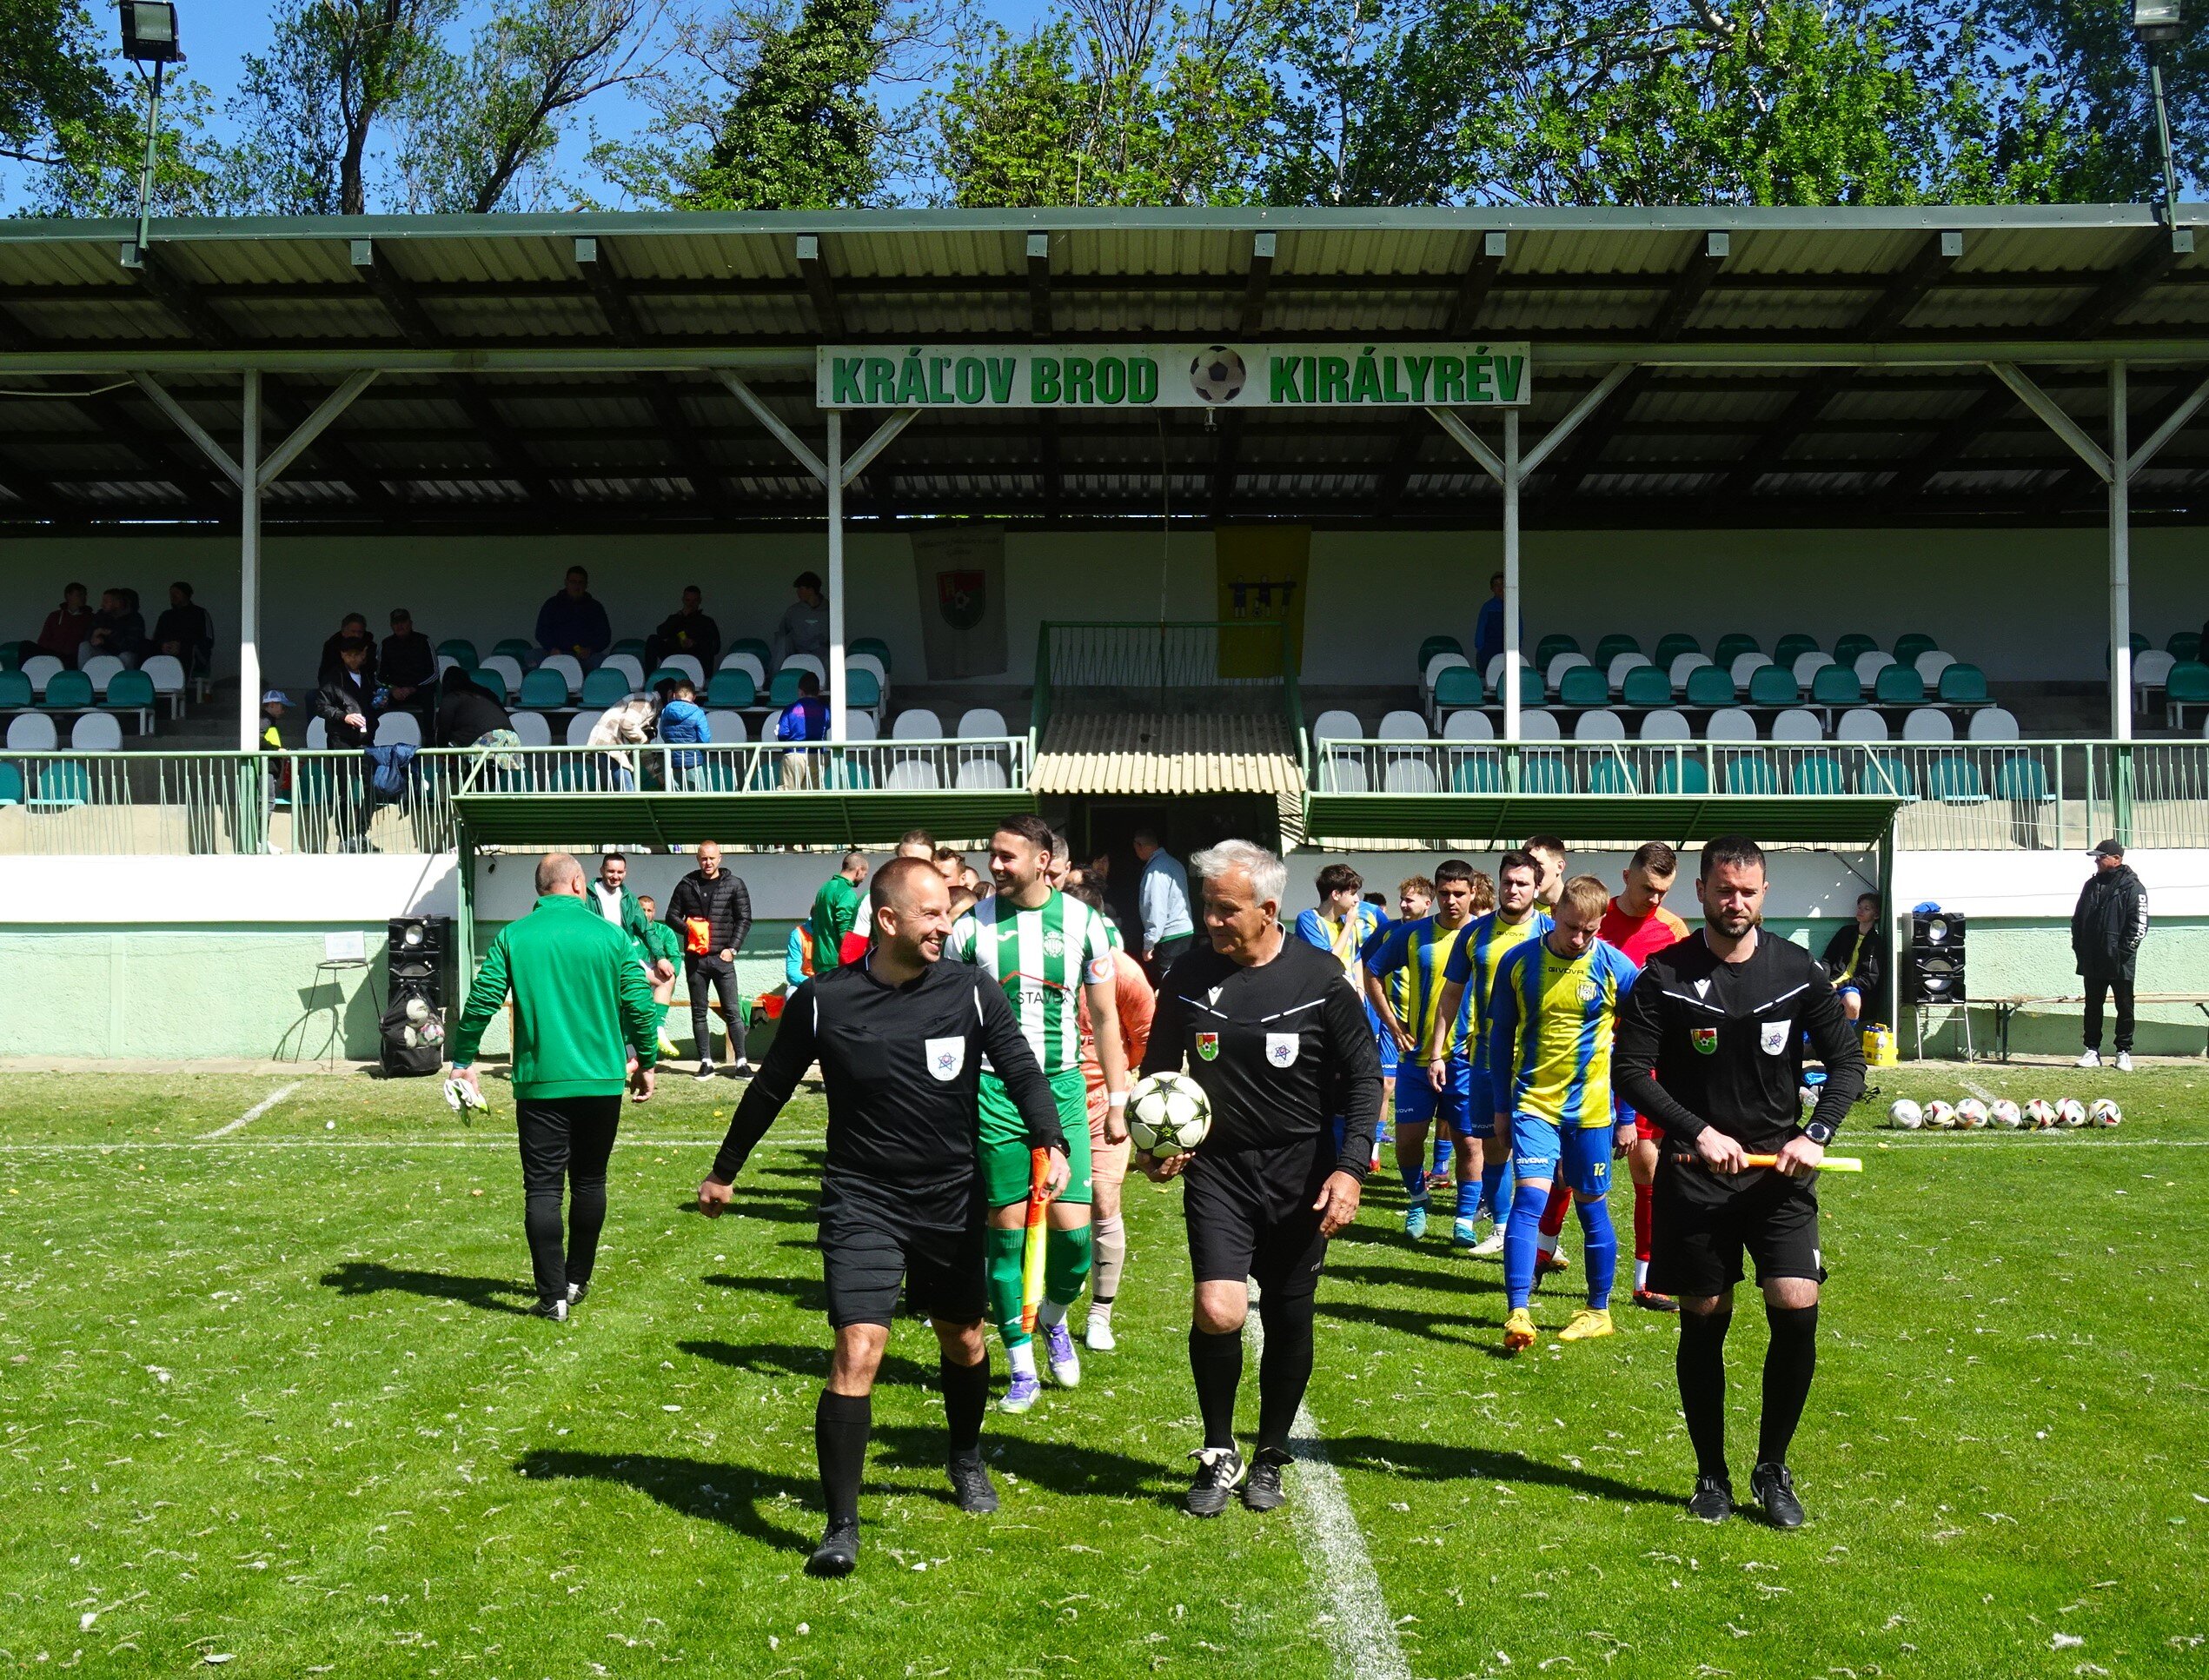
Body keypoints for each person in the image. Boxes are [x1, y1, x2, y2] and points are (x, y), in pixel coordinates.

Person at [696, 856, 1070, 1577]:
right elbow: (771, 1087)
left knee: (964, 1338)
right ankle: (841, 1525)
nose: (946, 924)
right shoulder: (823, 1000)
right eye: (932, 913)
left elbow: (1021, 1067)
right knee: (858, 1348)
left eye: (949, 911)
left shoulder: (971, 990)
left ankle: (965, 1456)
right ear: (889, 919)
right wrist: (724, 1170)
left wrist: (1049, 1139)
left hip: (950, 1197)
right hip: (861, 1198)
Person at [1614, 834, 1866, 1529]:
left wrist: (1815, 1134)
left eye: (1748, 891)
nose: (1736, 902)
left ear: (1764, 893)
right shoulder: (1663, 975)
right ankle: (1711, 1474)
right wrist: (1697, 1131)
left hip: (1778, 1174)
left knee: (1797, 1302)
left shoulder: (1797, 970)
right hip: (1696, 1175)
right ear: (1700, 891)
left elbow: (1847, 1063)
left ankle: (1772, 1467)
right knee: (1705, 1316)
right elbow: (1630, 1071)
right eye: (1724, 889)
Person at [1140, 839, 1381, 1517]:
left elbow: (1365, 1077)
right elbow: (1158, 1070)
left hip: (1301, 1170)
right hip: (1218, 1168)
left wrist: (1350, 1167)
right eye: (1207, 906)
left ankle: (1271, 1452)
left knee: (1287, 1312)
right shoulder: (1188, 974)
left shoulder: (1320, 977)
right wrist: (1155, 1140)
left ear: (1268, 909)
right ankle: (1220, 1450)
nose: (1211, 920)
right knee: (1218, 1309)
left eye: (1226, 909)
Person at [946, 818, 1127, 1411]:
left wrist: (1118, 1100)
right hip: (994, 1092)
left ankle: (1053, 1317)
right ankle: (1020, 1364)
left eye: (1007, 856)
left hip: (1063, 1090)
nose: (994, 865)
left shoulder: (1086, 924)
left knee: (1075, 1239)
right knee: (1006, 1237)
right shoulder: (969, 928)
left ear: (1044, 860)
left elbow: (1106, 1018)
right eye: (991, 854)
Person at [449, 852, 658, 1321]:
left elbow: (481, 1001)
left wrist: (463, 1060)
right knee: (590, 1180)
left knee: (543, 1188)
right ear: (580, 883)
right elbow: (640, 1005)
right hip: (600, 1081)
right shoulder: (611, 935)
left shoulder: (514, 935)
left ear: (539, 889)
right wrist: (646, 1061)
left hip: (541, 1083)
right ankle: (576, 1279)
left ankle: (553, 1296)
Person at [1487, 875, 1642, 1352]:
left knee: (1592, 1206)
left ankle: (1598, 1311)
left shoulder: (1617, 967)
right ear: (1553, 914)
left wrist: (1627, 1115)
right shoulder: (1518, 961)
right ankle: (1518, 1311)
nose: (1578, 939)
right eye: (1572, 927)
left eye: (1589, 930)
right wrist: (1500, 1108)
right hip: (1533, 1103)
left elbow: (1635, 1047)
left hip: (1591, 1111)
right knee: (1529, 1200)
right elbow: (1499, 1039)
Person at [1423, 851, 1552, 1255]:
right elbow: (1451, 994)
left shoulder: (1550, 930)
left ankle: (1543, 1238)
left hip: (1539, 1061)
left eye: (1522, 883)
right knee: (1492, 1145)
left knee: (1539, 1153)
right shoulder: (1475, 933)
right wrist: (1437, 1052)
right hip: (1483, 1058)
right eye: (1508, 882)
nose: (1513, 890)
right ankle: (1500, 1227)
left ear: (1537, 888)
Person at [1597, 842, 1692, 1311]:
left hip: (1644, 1063)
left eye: (1663, 892)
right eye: (1647, 888)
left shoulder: (1673, 930)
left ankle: (1647, 1279)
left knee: (1647, 1166)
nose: (1654, 899)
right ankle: (1542, 1253)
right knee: (1568, 1169)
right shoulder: (1593, 919)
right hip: (1587, 1062)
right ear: (1626, 876)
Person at [1363, 860, 1480, 1241]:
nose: (1451, 900)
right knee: (1408, 1142)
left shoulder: (1484, 936)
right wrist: (1392, 1023)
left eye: (1459, 893)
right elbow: (1372, 970)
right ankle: (1418, 1199)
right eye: (1445, 893)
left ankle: (1464, 1219)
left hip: (1464, 1059)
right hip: (1415, 1058)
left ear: (1473, 893)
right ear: (1436, 893)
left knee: (1469, 1141)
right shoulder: (1413, 934)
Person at [1069, 878, 1152, 1352]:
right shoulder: (1042, 966)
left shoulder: (1122, 970)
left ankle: (1101, 1313)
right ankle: (1053, 1291)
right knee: (1051, 1208)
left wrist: (1117, 1080)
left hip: (1104, 1102)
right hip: (1047, 1100)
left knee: (1103, 1200)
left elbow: (1143, 1034)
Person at [666, 840, 753, 1079]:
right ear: (698, 859)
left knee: (732, 1011)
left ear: (720, 858)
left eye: (712, 858)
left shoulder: (734, 884)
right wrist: (689, 929)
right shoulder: (686, 885)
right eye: (704, 858)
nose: (708, 863)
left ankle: (741, 1062)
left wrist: (732, 949)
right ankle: (705, 1062)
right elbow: (671, 916)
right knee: (699, 1012)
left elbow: (744, 919)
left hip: (722, 958)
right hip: (696, 959)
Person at [2072, 839, 2148, 1072]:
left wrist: (2122, 952)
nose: (2096, 861)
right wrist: (2079, 947)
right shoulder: (2091, 885)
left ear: (2117, 859)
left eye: (2101, 856)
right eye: (2096, 857)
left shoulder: (2133, 887)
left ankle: (2123, 1052)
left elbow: (2139, 924)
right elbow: (2078, 919)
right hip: (2093, 958)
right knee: (2092, 1007)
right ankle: (2092, 1050)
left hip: (2120, 961)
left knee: (2124, 1007)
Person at [844, 830, 936, 964]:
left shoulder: (949, 901)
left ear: (933, 865)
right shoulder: (871, 899)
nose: (910, 868)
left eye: (919, 863)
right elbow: (849, 955)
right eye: (904, 861)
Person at [1134, 827, 1195, 982]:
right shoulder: (1174, 863)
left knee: (1168, 983)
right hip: (1184, 932)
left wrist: (1149, 942)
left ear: (1139, 846)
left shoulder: (1156, 870)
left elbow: (1155, 907)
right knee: (1181, 979)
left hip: (1170, 937)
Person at [1821, 891, 1886, 1025]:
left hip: (1851, 987)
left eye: (1866, 909)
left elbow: (1870, 979)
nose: (1860, 911)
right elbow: (1827, 959)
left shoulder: (1875, 943)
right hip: (1830, 981)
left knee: (1852, 1003)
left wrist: (1838, 985)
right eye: (1859, 907)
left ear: (1876, 915)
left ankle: (1846, 1035)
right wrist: (1822, 979)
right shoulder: (1845, 933)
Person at [632, 893, 685, 1059]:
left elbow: (675, 957)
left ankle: (658, 1030)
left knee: (668, 978)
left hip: (655, 985)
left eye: (649, 910)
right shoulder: (628, 931)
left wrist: (670, 971)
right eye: (642, 910)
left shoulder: (664, 932)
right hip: (632, 981)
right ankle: (635, 1056)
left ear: (654, 912)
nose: (646, 914)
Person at [536, 565, 612, 663]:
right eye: (573, 582)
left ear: (586, 585)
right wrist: (551, 648)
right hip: (557, 654)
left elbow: (605, 636)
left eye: (580, 582)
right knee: (533, 655)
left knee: (603, 661)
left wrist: (590, 650)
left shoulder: (595, 607)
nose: (577, 586)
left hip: (585, 657)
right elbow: (541, 632)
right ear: (566, 582)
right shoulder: (552, 604)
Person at [811, 851, 869, 975]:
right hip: (837, 965)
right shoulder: (846, 892)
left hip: (820, 962)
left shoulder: (825, 888)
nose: (864, 879)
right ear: (858, 870)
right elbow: (846, 931)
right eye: (865, 874)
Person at [315, 635, 377, 748]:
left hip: (366, 738)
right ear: (342, 654)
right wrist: (344, 717)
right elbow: (321, 706)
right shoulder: (332, 677)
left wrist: (380, 704)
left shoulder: (368, 677)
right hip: (340, 739)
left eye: (356, 654)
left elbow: (372, 707)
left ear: (363, 654)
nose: (352, 658)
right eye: (349, 655)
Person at [380, 608, 437, 731]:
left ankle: (429, 737)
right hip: (395, 691)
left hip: (419, 689)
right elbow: (379, 677)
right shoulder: (386, 644)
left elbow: (434, 673)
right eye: (396, 623)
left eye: (403, 622)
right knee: (379, 698)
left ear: (410, 623)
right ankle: (382, 736)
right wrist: (392, 689)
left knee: (429, 695)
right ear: (391, 626)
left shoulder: (424, 641)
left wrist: (412, 688)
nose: (399, 626)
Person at [647, 584, 720, 675]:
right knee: (653, 639)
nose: (691, 604)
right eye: (688, 600)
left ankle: (704, 678)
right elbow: (661, 633)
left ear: (699, 601)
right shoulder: (675, 618)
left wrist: (695, 643)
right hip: (674, 656)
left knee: (707, 647)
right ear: (683, 600)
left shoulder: (707, 621)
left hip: (697, 658)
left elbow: (716, 646)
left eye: (694, 601)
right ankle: (649, 677)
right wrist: (680, 616)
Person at [586, 694, 655, 789]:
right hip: (609, 743)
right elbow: (627, 725)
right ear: (671, 694)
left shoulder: (651, 705)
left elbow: (644, 750)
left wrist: (659, 777)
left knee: (627, 789)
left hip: (611, 745)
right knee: (628, 790)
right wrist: (644, 739)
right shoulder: (647, 701)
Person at [435, 665, 514, 749]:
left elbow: (443, 732)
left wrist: (441, 751)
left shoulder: (452, 697)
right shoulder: (485, 693)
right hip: (511, 738)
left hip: (487, 739)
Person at [776, 670, 831, 787]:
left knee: (788, 794)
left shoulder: (790, 709)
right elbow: (828, 725)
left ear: (800, 692)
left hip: (794, 755)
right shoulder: (825, 710)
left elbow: (782, 734)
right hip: (816, 755)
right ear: (818, 692)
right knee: (813, 794)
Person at [153, 581, 214, 679]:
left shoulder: (200, 613)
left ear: (186, 594)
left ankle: (182, 686)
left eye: (177, 593)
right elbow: (156, 638)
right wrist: (163, 645)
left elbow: (208, 640)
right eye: (171, 593)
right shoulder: (166, 615)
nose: (173, 596)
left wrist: (182, 646)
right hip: (167, 654)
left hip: (191, 655)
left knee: (187, 654)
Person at [657, 679, 711, 789]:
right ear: (694, 697)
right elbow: (705, 740)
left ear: (674, 695)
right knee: (699, 797)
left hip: (671, 761)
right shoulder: (698, 713)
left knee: (675, 798)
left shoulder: (665, 711)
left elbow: (662, 733)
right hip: (693, 762)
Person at [770, 570, 829, 668]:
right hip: (797, 653)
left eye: (801, 588)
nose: (798, 592)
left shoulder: (830, 611)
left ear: (811, 590)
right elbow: (783, 632)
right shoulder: (793, 611)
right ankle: (777, 677)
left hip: (821, 655)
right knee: (783, 642)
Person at [1472, 570, 1521, 678]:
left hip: (1509, 650)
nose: (1500, 587)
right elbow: (1480, 631)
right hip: (1488, 652)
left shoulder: (1513, 606)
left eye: (1502, 584)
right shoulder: (1487, 607)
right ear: (1492, 588)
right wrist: (1481, 650)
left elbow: (1519, 630)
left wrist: (1516, 648)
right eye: (1496, 585)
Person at [36, 582, 92, 666]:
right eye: (79, 595)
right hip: (54, 656)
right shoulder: (55, 616)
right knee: (26, 646)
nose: (83, 598)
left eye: (85, 595)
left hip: (74, 658)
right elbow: (43, 640)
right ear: (68, 596)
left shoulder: (90, 618)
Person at [88, 587, 146, 665]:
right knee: (85, 646)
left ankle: (123, 674)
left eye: (106, 602)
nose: (102, 605)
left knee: (126, 656)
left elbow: (131, 646)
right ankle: (83, 673)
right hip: (103, 653)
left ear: (118, 603)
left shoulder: (135, 619)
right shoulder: (101, 615)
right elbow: (88, 636)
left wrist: (108, 633)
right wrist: (93, 636)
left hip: (123, 654)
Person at [319, 613, 377, 687]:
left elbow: (372, 671)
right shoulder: (332, 646)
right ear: (343, 632)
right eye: (353, 631)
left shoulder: (369, 646)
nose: (356, 635)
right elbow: (325, 671)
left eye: (360, 632)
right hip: (337, 686)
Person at [260, 688, 292, 805]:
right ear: (272, 704)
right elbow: (258, 740)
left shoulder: (268, 720)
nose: (283, 711)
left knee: (266, 803)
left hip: (267, 769)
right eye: (282, 707)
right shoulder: (265, 719)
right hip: (265, 769)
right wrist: (277, 750)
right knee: (267, 803)